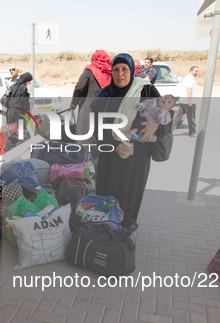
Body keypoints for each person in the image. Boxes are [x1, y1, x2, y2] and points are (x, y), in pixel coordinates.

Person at [90, 53, 173, 221]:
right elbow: (95, 130)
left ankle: (125, 234)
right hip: (110, 156)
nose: (120, 74)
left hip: (137, 158)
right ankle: (105, 233)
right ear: (111, 72)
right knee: (107, 196)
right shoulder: (104, 95)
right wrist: (114, 145)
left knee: (130, 198)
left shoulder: (146, 89)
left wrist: (155, 125)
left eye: (124, 69)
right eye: (116, 69)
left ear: (132, 71)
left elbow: (167, 119)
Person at [70, 50, 112, 151]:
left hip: (87, 111)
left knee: (84, 142)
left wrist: (73, 104)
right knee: (99, 142)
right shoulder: (110, 73)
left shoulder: (90, 71)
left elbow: (79, 87)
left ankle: (86, 165)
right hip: (104, 112)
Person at [173, 66, 199, 137]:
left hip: (183, 100)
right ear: (191, 71)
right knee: (191, 117)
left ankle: (170, 130)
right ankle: (192, 132)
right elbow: (189, 89)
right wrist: (190, 100)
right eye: (195, 71)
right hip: (188, 101)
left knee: (178, 117)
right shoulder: (191, 78)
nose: (197, 72)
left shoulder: (186, 77)